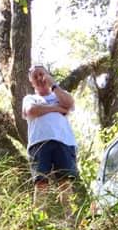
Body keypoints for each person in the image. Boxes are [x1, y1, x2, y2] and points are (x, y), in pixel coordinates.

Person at [22, 64, 78, 206]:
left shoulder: (58, 94)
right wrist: (57, 108)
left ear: (47, 75)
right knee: (41, 183)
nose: (40, 78)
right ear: (31, 82)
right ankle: (38, 222)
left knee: (65, 182)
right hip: (39, 143)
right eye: (35, 76)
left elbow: (70, 104)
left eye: (42, 74)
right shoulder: (30, 98)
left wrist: (53, 85)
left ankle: (70, 220)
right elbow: (31, 111)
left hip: (64, 142)